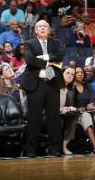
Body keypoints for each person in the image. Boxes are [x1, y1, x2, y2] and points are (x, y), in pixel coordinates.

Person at [20, 20, 63, 157]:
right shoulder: (29, 43)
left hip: (52, 83)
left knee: (54, 118)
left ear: (49, 30)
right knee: (34, 118)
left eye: (45, 26)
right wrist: (50, 60)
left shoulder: (55, 43)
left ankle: (54, 148)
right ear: (35, 30)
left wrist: (43, 57)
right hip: (36, 84)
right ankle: (31, 148)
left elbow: (60, 56)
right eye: (40, 26)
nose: (43, 28)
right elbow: (29, 59)